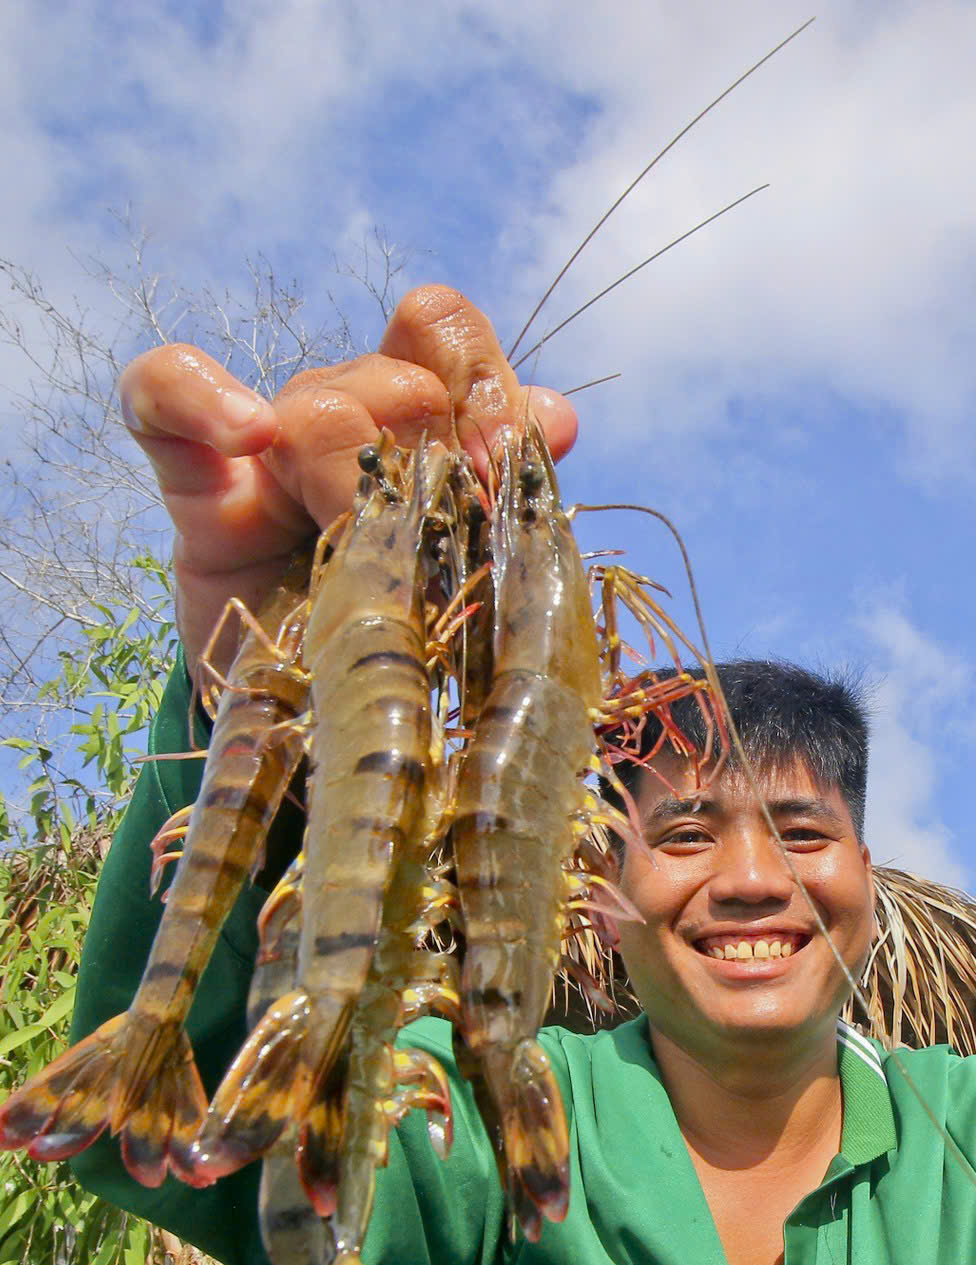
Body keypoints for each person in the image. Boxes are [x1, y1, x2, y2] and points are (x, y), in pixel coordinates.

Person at [67, 287, 976, 1264]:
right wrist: (258, 674)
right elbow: (171, 1138)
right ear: (604, 885)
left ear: (866, 871)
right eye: (682, 833)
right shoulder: (456, 1124)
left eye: (801, 831)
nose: (754, 876)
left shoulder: (957, 1130)